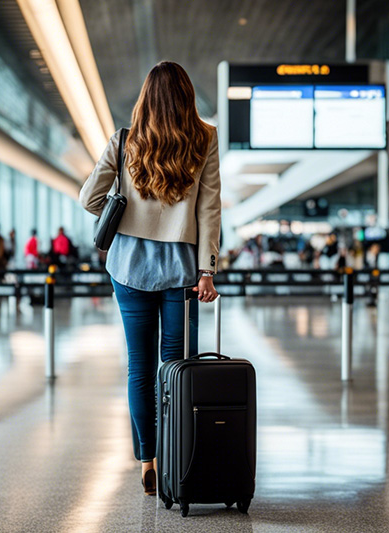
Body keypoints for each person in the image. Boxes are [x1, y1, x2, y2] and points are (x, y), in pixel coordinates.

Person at [78, 62, 220, 496]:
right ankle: (178, 455)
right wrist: (207, 269)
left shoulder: (123, 140)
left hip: (129, 266)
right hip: (181, 272)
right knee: (174, 367)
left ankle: (148, 459)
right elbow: (209, 207)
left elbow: (89, 198)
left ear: (145, 98)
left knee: (139, 367)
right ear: (187, 96)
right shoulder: (205, 137)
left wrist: (123, 214)